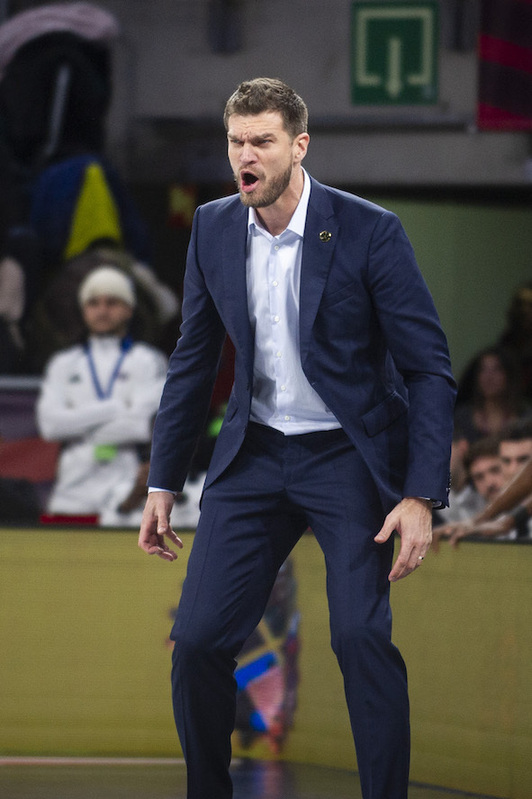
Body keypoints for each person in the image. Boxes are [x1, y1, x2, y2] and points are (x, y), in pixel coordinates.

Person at [138, 78, 456, 799]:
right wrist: (162, 481)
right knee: (196, 642)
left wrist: (419, 494)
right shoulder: (214, 227)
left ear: (299, 146)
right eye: (235, 142)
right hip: (252, 454)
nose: (245, 156)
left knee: (360, 638)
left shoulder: (370, 230)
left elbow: (429, 369)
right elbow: (193, 361)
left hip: (347, 455)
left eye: (262, 141)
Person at [37, 265, 167, 523]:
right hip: (71, 492)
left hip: (127, 490)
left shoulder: (148, 361)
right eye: (93, 303)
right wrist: (116, 407)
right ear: (83, 310)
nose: (102, 310)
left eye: (112, 302)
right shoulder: (63, 364)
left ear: (129, 309)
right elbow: (50, 427)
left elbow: (142, 426)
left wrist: (74, 423)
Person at [454, 346, 529, 443]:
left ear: (509, 375)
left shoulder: (525, 418)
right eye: (483, 370)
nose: (489, 377)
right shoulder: (462, 418)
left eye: (497, 369)